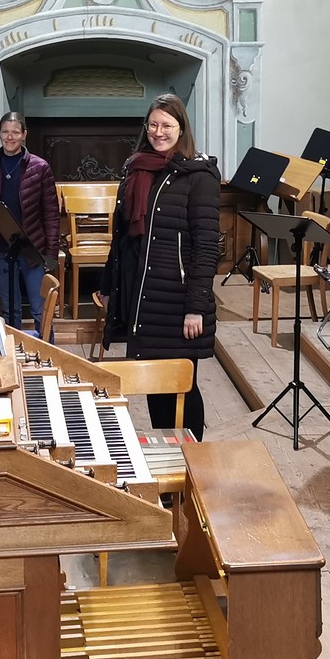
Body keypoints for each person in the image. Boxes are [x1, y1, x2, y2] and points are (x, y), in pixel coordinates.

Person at [98, 94, 220, 439]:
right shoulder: (136, 167)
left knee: (182, 387)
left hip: (177, 301)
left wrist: (196, 307)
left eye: (167, 125)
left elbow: (206, 246)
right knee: (155, 382)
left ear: (181, 129)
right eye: (153, 124)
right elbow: (121, 236)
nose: (158, 132)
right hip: (143, 296)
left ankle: (192, 456)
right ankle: (168, 453)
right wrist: (107, 286)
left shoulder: (199, 175)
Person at [0, 112, 59, 334]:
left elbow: (51, 214)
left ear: (24, 135)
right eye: (5, 132)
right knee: (10, 311)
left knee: (40, 310)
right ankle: (13, 354)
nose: (9, 137)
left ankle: (47, 352)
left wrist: (50, 254)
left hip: (33, 250)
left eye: (15, 132)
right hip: (1, 249)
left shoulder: (40, 167)